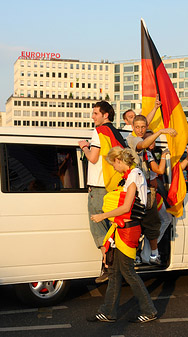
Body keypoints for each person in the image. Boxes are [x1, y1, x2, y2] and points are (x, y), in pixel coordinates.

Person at [87, 146, 158, 323]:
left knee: (126, 271)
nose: (113, 168)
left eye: (113, 164)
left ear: (119, 161)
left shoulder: (133, 175)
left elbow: (127, 207)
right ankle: (108, 311)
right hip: (124, 228)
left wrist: (102, 216)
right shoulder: (131, 176)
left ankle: (148, 310)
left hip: (128, 230)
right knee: (115, 271)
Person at [78, 101, 126, 283]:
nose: (93, 116)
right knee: (112, 229)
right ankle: (113, 265)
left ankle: (108, 266)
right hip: (114, 187)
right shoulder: (117, 134)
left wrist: (83, 145)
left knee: (99, 228)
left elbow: (93, 157)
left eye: (96, 113)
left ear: (106, 115)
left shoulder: (99, 132)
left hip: (99, 188)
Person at [127, 114, 177, 265]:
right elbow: (142, 144)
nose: (141, 130)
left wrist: (155, 108)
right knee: (136, 225)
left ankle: (151, 254)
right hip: (135, 192)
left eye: (143, 127)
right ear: (132, 128)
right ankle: (137, 254)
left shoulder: (147, 153)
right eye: (138, 127)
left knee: (153, 224)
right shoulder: (132, 140)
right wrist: (161, 131)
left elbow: (160, 170)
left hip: (148, 193)